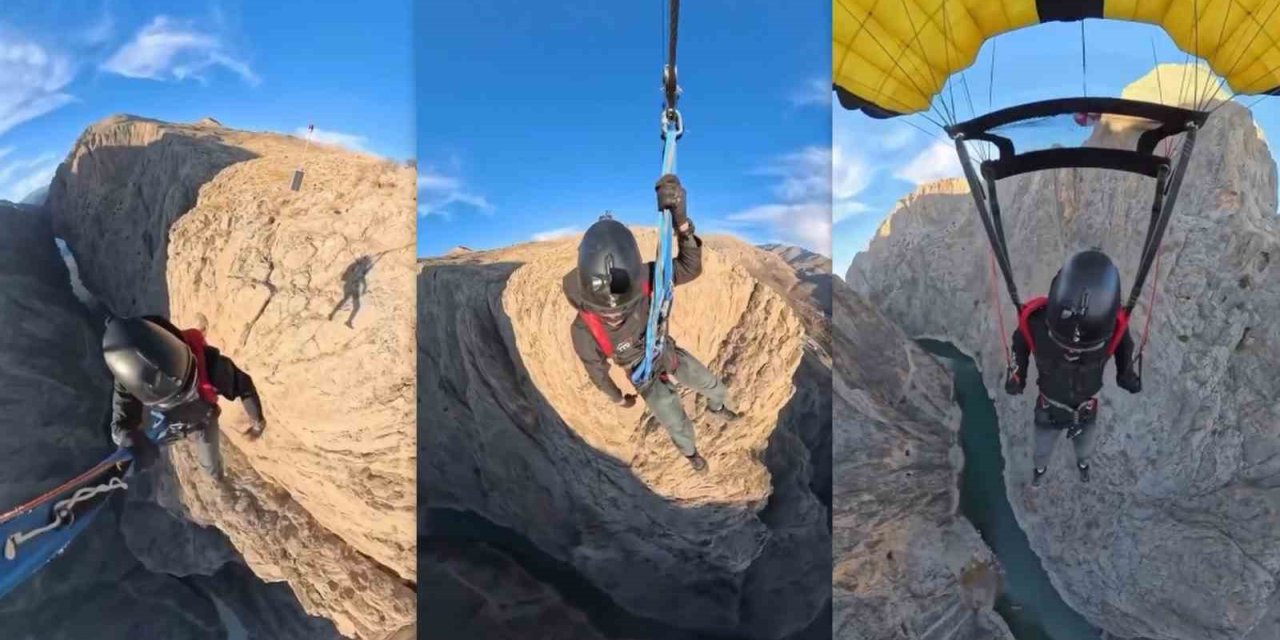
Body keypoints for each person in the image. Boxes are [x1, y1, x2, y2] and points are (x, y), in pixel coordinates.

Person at [563, 175, 736, 472]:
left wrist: (681, 223)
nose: (615, 316)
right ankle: (691, 453)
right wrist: (619, 399)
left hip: (665, 351)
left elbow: (689, 268)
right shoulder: (584, 329)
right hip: (644, 376)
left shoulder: (645, 281)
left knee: (712, 385)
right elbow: (597, 373)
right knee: (676, 420)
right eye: (608, 314)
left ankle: (716, 405)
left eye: (621, 310)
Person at [1004, 249, 1142, 485]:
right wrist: (1018, 374)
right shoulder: (1035, 324)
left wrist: (1127, 374)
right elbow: (1020, 344)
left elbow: (1124, 352)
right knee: (1042, 451)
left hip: (1081, 412)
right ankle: (1041, 470)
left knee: (1083, 449)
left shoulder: (1114, 332)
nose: (1072, 351)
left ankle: (1081, 465)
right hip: (1051, 410)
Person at [102, 316, 267, 479]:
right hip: (186, 418)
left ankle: (216, 475)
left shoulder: (210, 365)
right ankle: (215, 474)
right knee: (208, 463)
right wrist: (127, 439)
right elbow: (244, 387)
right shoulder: (134, 375)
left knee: (209, 467)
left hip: (195, 420)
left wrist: (127, 440)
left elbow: (244, 386)